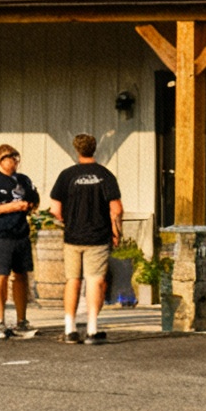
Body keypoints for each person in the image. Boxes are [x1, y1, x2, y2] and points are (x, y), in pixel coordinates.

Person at [48, 132, 123, 345]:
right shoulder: (105, 175)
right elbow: (116, 209)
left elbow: (55, 209)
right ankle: (92, 329)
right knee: (95, 280)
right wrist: (116, 233)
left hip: (73, 236)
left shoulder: (67, 175)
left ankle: (70, 329)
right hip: (98, 237)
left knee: (72, 280)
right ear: (94, 148)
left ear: (77, 150)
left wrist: (68, 221)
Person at [0, 145, 41, 338]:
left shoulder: (23, 180)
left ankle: (22, 321)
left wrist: (29, 205)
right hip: (1, 235)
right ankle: (0, 321)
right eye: (10, 158)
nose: (14, 162)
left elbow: (34, 201)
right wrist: (9, 208)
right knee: (1, 277)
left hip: (21, 234)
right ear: (0, 160)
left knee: (21, 276)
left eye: (16, 158)